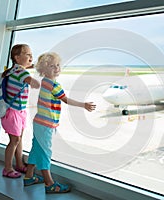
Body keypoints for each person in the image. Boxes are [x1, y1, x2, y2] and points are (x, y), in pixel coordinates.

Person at [23, 52, 96, 193]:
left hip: (39, 122)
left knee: (36, 149)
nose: (56, 68)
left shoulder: (45, 81)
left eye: (57, 65)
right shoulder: (53, 85)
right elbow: (66, 100)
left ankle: (29, 176)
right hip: (46, 124)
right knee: (45, 152)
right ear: (43, 70)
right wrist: (84, 105)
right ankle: (49, 183)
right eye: (51, 66)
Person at [1, 44, 40, 178]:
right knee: (15, 140)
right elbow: (34, 83)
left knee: (18, 139)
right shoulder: (21, 72)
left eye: (31, 54)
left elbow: (29, 67)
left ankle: (19, 164)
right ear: (17, 58)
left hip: (19, 111)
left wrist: (38, 66)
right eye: (27, 54)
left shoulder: (14, 70)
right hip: (14, 112)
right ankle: (7, 168)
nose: (31, 57)